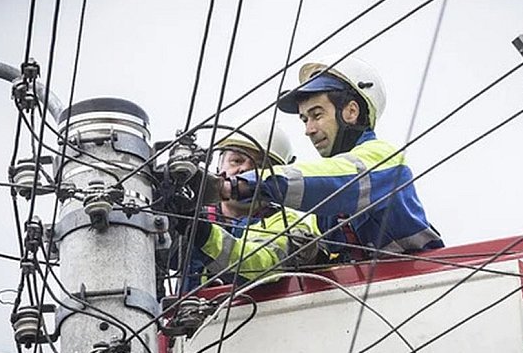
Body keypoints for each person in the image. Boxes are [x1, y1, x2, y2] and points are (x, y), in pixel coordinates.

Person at [219, 56, 443, 260]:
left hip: (426, 288)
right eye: (304, 119)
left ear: (351, 112)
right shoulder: (323, 211)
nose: (309, 130)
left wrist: (240, 185)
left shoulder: (383, 159)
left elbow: (333, 180)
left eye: (317, 115)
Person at [176, 121, 324, 290]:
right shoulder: (194, 213)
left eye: (260, 166)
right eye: (236, 160)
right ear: (219, 165)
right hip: (190, 315)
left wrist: (202, 233)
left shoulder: (287, 223)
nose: (245, 170)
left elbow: (263, 264)